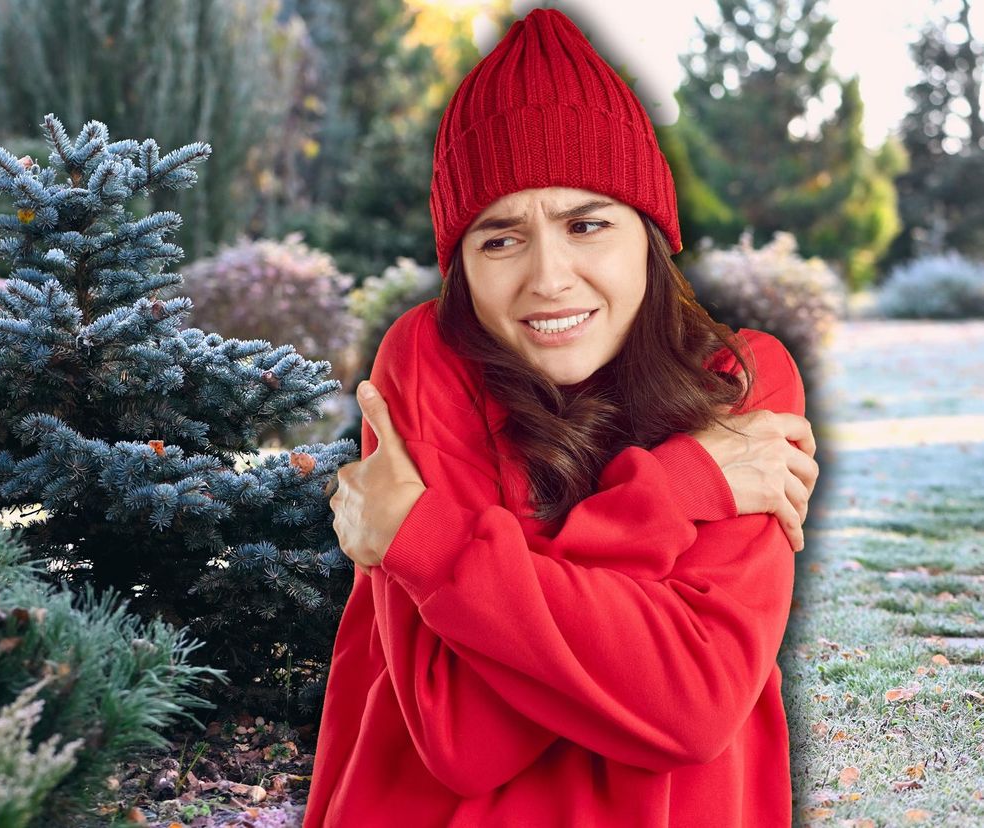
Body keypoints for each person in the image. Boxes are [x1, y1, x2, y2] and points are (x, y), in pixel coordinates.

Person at [302, 7, 819, 827]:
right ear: (462, 263)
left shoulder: (741, 386)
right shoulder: (430, 364)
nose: (548, 278)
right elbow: (462, 733)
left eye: (588, 225)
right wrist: (678, 488)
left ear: (648, 234)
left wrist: (437, 548)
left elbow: (694, 703)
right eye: (500, 240)